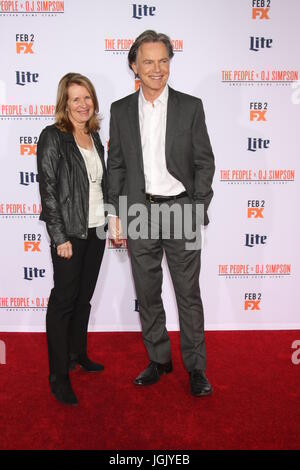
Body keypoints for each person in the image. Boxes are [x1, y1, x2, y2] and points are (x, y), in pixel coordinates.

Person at [107, 30, 215, 397]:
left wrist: (198, 207)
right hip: (138, 211)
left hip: (181, 208)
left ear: (171, 63)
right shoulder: (120, 110)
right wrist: (115, 213)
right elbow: (116, 165)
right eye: (148, 61)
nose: (157, 69)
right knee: (148, 292)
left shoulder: (191, 106)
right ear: (134, 66)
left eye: (164, 61)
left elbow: (204, 162)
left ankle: (196, 368)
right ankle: (159, 359)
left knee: (188, 294)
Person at [37, 73, 107, 405]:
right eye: (75, 99)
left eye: (87, 97)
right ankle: (58, 375)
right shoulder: (53, 137)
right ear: (65, 104)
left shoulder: (95, 137)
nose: (82, 104)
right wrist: (59, 235)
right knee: (63, 301)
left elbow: (101, 186)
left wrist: (113, 220)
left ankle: (78, 354)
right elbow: (48, 190)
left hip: (97, 230)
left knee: (84, 298)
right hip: (70, 234)